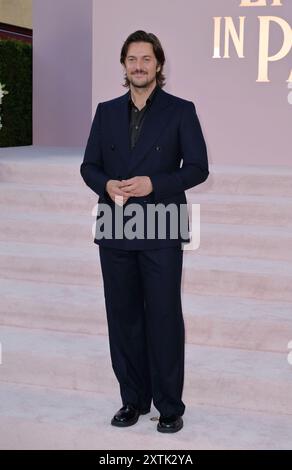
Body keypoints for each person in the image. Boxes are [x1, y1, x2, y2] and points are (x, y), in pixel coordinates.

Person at [80, 30, 209, 433]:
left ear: (159, 65)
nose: (139, 66)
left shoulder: (181, 110)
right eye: (132, 59)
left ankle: (169, 406)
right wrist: (106, 184)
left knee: (165, 316)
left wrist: (156, 183)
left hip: (161, 222)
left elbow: (198, 168)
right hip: (115, 223)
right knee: (123, 317)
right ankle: (132, 400)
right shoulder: (105, 111)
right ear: (124, 65)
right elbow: (89, 166)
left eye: (146, 59)